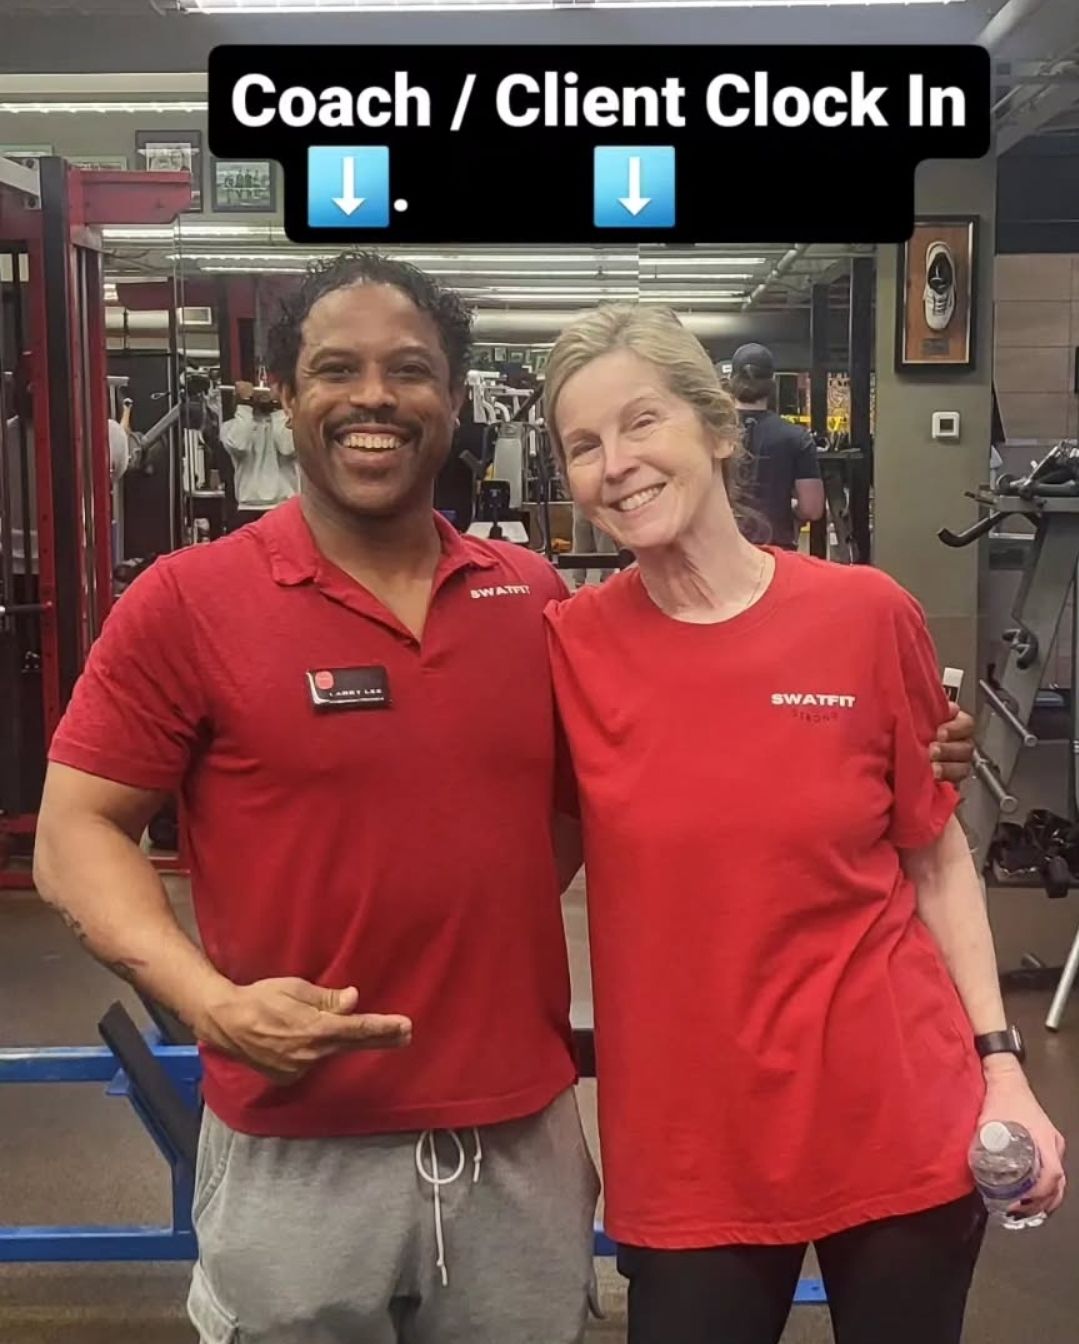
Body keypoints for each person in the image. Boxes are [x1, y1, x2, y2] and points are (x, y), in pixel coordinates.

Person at [31, 254, 976, 1344]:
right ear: (284, 395)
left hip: (517, 1147)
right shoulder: (188, 603)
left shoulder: (528, 604)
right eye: (335, 369)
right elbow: (74, 833)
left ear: (453, 402)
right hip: (300, 1138)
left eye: (410, 371)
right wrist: (208, 1003)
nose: (374, 397)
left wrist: (898, 734)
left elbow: (638, 775)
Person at [541, 303, 1065, 1344]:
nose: (616, 464)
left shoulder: (865, 616)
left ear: (719, 430)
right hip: (690, 1144)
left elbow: (933, 858)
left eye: (641, 423)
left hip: (893, 1107)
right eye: (583, 446)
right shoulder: (563, 649)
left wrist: (1001, 1065)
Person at [728, 341, 824, 549]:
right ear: (772, 382)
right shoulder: (796, 437)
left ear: (731, 380)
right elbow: (812, 508)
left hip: (721, 551)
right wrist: (792, 512)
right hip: (775, 552)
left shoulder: (711, 434)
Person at [220, 378, 299, 527]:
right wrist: (245, 403)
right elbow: (240, 445)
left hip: (285, 506)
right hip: (248, 508)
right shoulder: (229, 427)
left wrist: (279, 406)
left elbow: (287, 447)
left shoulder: (290, 426)